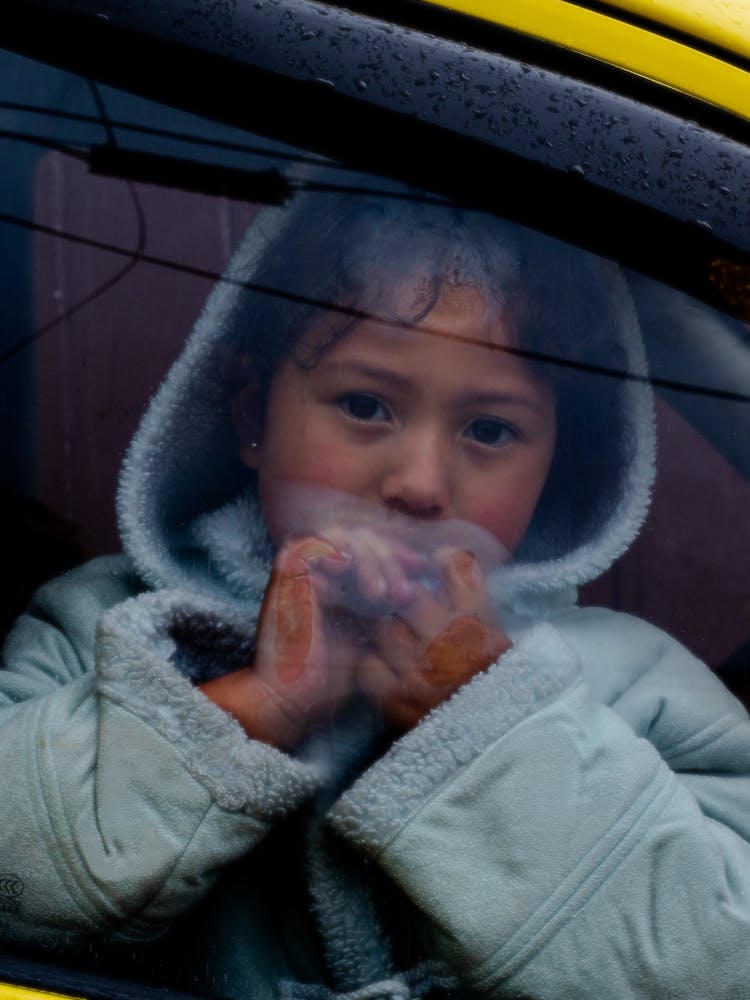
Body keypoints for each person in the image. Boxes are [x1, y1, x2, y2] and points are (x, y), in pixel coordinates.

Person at [1, 187, 749, 1000]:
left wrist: (492, 726)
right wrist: (251, 710)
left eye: (489, 429)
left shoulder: (638, 683)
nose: (420, 485)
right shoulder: (113, 630)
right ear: (253, 416)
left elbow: (717, 966)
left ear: (557, 466)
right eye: (365, 405)